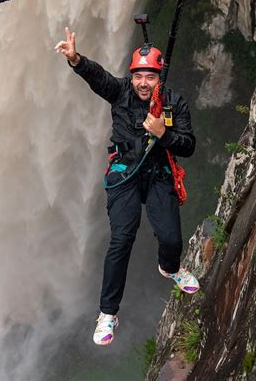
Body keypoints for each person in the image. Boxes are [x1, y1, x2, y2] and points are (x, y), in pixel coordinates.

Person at [55, 27, 199, 346]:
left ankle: (170, 268)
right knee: (122, 237)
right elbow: (97, 77)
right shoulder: (120, 91)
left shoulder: (174, 104)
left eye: (150, 77)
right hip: (124, 173)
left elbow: (188, 145)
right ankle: (108, 313)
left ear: (160, 77)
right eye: (138, 76)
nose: (143, 83)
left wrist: (164, 133)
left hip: (159, 171)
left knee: (172, 239)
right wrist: (76, 59)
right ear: (131, 76)